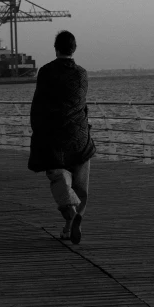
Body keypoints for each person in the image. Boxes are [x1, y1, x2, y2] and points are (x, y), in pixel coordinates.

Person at [28, 31, 96, 244]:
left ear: (55, 48)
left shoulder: (46, 72)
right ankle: (72, 226)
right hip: (80, 135)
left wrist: (37, 130)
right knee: (80, 185)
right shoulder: (82, 74)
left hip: (54, 136)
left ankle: (72, 216)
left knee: (59, 179)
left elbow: (38, 104)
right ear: (74, 49)